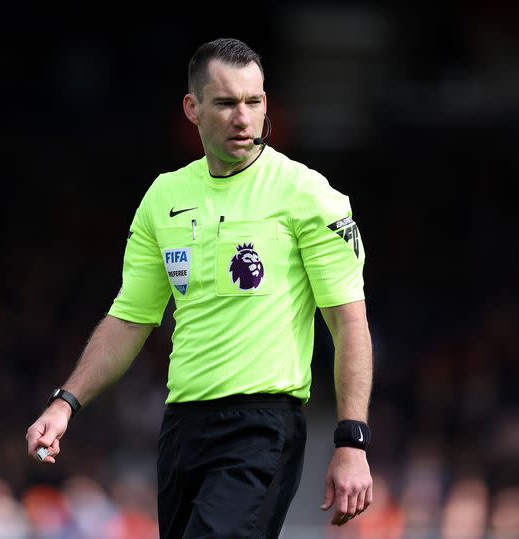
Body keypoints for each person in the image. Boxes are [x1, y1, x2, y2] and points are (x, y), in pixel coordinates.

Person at [25, 37, 374, 538]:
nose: (243, 117)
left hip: (263, 424)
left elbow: (349, 323)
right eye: (227, 102)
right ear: (193, 108)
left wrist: (351, 440)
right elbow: (130, 318)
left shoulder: (307, 195)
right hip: (183, 428)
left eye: (254, 102)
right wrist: (65, 402)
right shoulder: (164, 196)